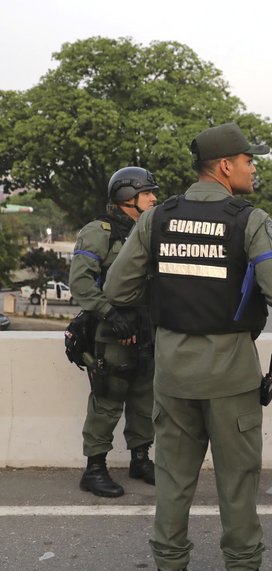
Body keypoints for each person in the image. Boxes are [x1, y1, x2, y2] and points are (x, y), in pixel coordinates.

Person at [104, 122, 272, 571]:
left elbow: (117, 287)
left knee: (173, 481)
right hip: (231, 377)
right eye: (248, 160)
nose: (254, 167)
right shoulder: (249, 219)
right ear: (225, 166)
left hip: (172, 376)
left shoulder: (159, 217)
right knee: (237, 484)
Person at [70, 167, 159, 498]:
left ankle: (140, 459)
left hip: (145, 328)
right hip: (111, 332)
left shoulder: (148, 230)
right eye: (147, 193)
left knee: (143, 397)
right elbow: (80, 282)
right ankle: (94, 469)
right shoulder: (99, 231)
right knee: (107, 399)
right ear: (128, 197)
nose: (154, 198)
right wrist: (109, 313)